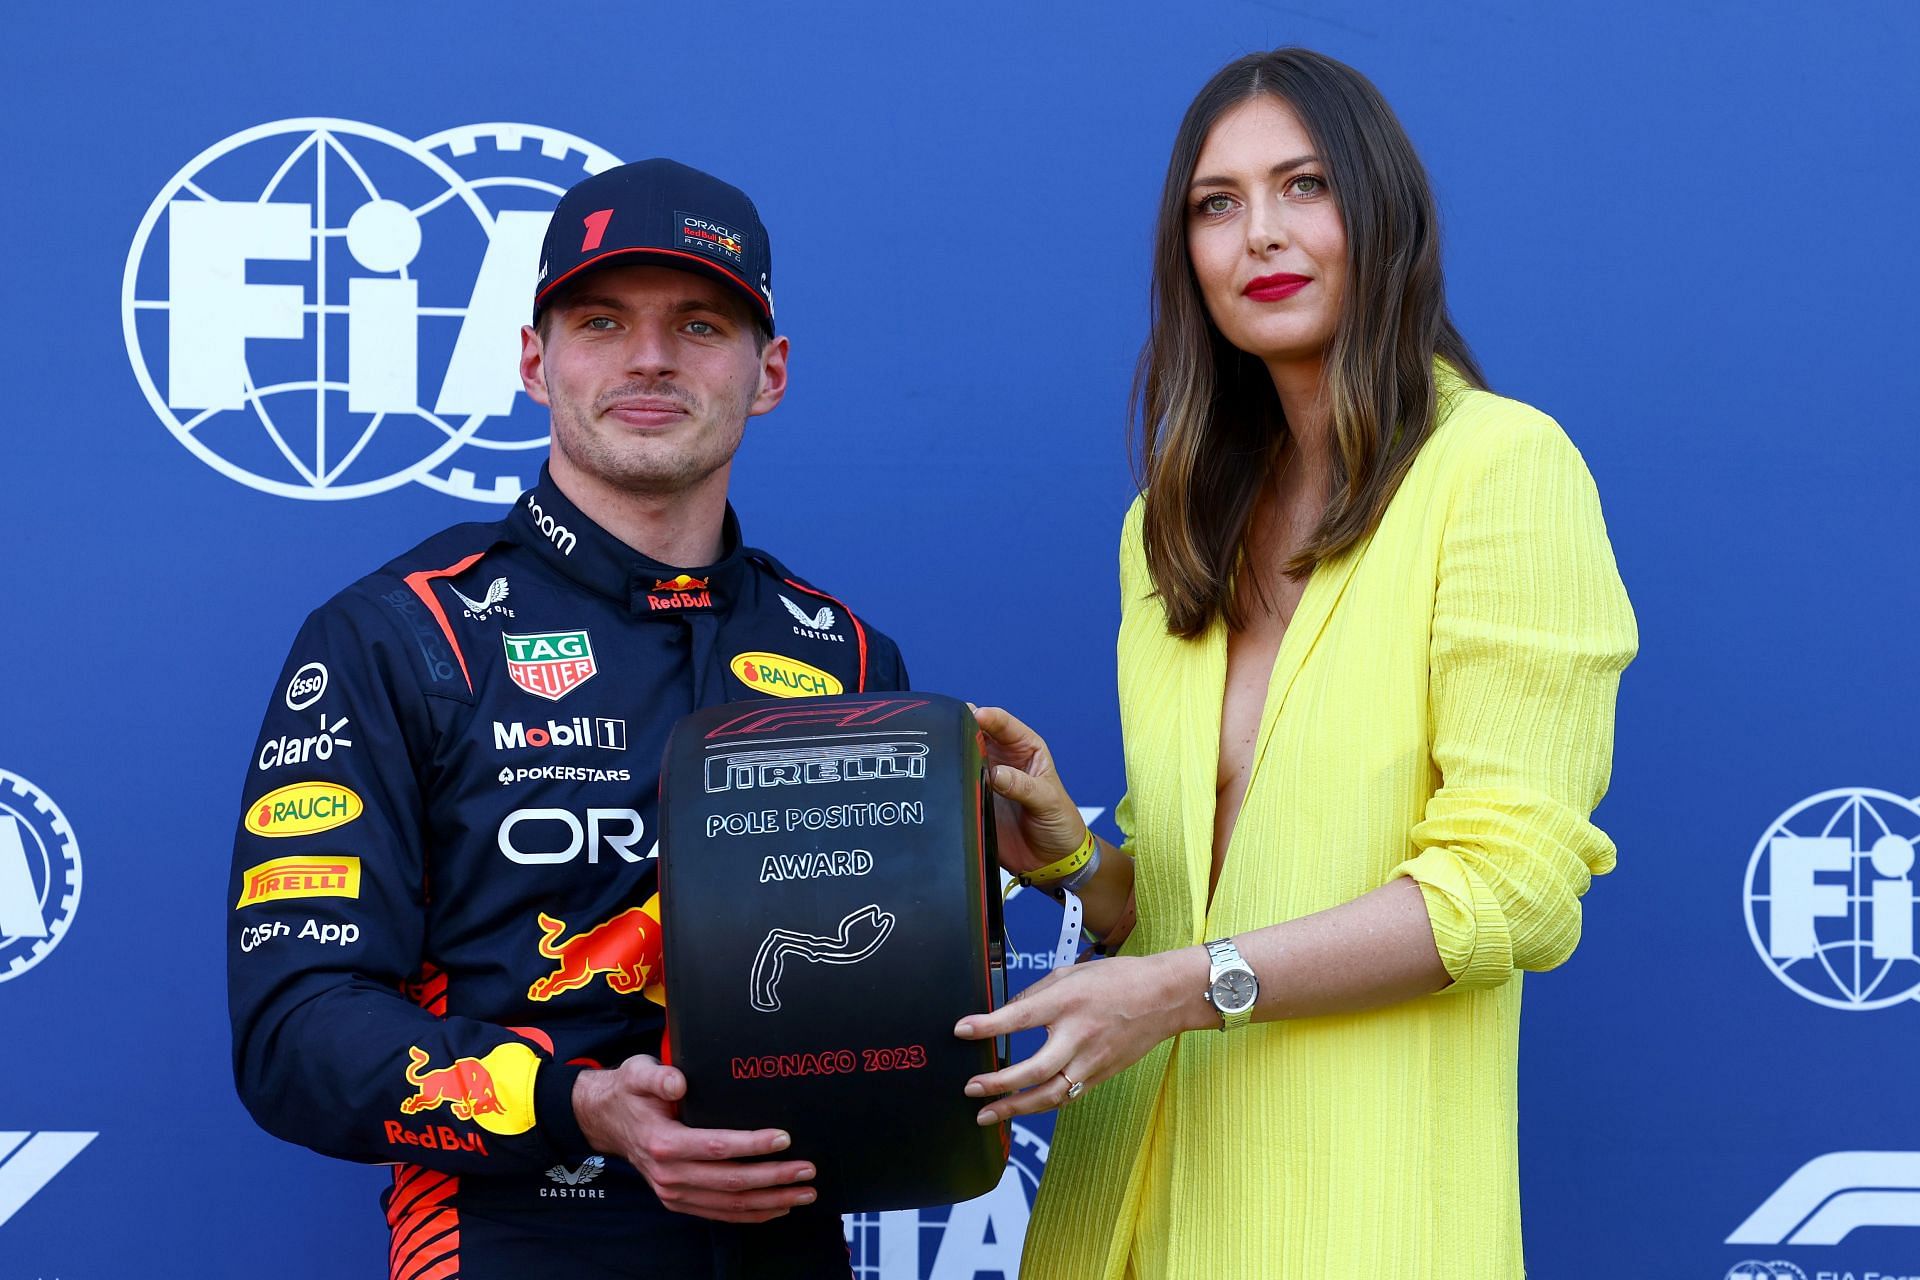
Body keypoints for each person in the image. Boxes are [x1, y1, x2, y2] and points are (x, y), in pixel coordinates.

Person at [953, 47, 1637, 1279]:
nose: (1258, 235)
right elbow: (1185, 909)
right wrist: (1073, 858)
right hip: (1116, 1214)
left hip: (1354, 1221)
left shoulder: (1500, 469)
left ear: (1381, 213)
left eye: (1303, 185)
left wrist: (1173, 986)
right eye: (1216, 204)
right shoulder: (1168, 526)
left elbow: (1508, 888)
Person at [226, 158, 907, 1280]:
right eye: (601, 321)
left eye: (698, 323)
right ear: (536, 362)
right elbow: (295, 1029)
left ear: (769, 371)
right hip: (512, 1240)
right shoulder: (401, 635)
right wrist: (584, 1105)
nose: (649, 357)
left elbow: (886, 981)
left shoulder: (841, 653)